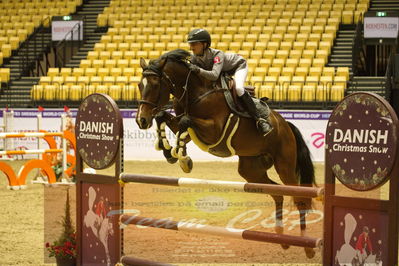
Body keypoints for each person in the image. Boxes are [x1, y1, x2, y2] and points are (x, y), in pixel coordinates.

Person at [186, 28, 273, 136]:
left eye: (194, 44)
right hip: (224, 71)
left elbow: (213, 75)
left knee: (239, 89)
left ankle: (259, 120)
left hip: (238, 66)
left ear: (204, 44)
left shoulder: (217, 55)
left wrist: (198, 70)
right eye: (190, 44)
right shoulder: (194, 58)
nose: (191, 47)